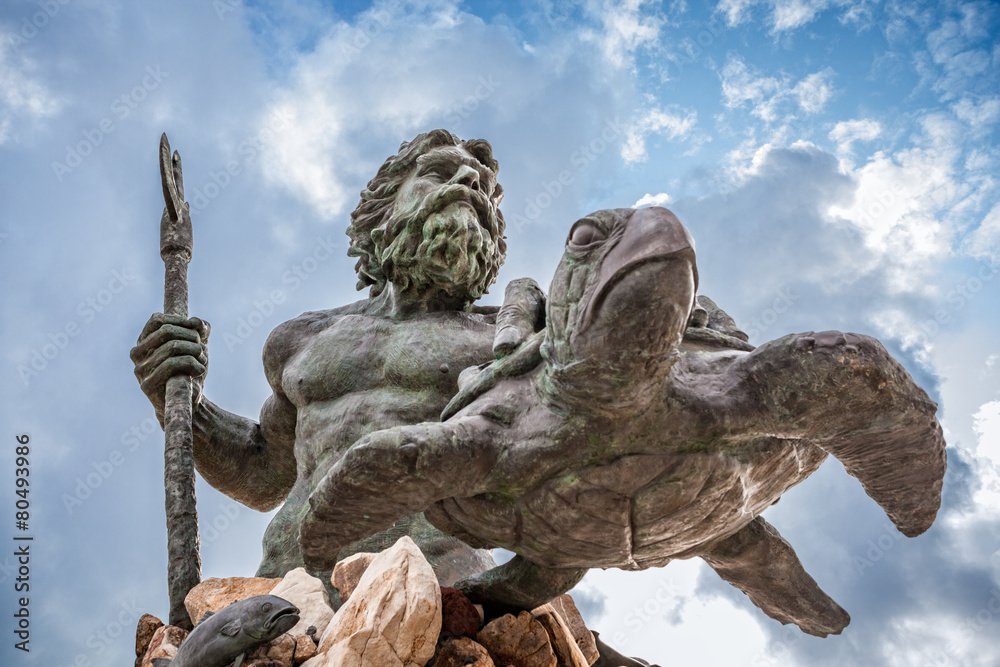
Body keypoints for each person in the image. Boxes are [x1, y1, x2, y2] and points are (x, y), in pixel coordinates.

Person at [131, 129, 539, 591]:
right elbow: (265, 474)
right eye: (441, 171)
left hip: (441, 598)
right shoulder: (302, 338)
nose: (470, 183)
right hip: (289, 600)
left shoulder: (507, 341)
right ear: (386, 203)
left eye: (485, 188)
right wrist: (182, 403)